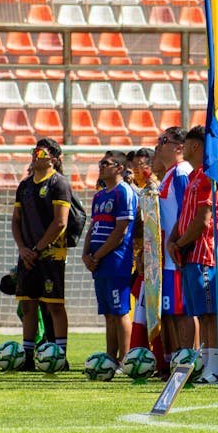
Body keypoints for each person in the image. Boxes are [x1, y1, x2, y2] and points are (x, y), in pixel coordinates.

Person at [167, 126, 218, 384]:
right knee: (201, 314)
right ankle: (206, 363)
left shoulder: (210, 176)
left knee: (210, 313)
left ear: (194, 146)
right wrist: (172, 240)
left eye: (187, 144)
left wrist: (179, 243)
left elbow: (203, 221)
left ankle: (215, 367)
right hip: (190, 254)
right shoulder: (194, 175)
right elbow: (185, 215)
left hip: (204, 254)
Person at [12, 138, 72, 370]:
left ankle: (61, 356)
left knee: (54, 306)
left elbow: (60, 223)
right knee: (28, 305)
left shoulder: (59, 184)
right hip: (27, 255)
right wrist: (22, 248)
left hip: (50, 255)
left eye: (41, 153)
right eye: (34, 151)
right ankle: (27, 356)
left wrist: (37, 249)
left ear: (54, 159)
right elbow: (16, 221)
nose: (35, 156)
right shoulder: (24, 186)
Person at [83, 151, 138, 361]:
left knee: (120, 311)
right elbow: (93, 226)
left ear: (119, 168)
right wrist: (85, 254)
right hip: (98, 261)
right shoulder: (99, 195)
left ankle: (125, 360)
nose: (101, 166)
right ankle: (110, 358)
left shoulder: (124, 192)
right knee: (108, 313)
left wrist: (97, 255)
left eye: (106, 163)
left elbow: (121, 230)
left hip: (116, 260)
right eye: (100, 162)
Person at [155, 127, 197, 354]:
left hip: (177, 253)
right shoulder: (170, 173)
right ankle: (174, 357)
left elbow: (186, 212)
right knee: (171, 311)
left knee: (183, 311)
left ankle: (190, 358)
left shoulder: (182, 173)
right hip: (167, 255)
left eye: (164, 141)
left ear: (179, 147)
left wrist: (179, 244)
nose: (159, 145)